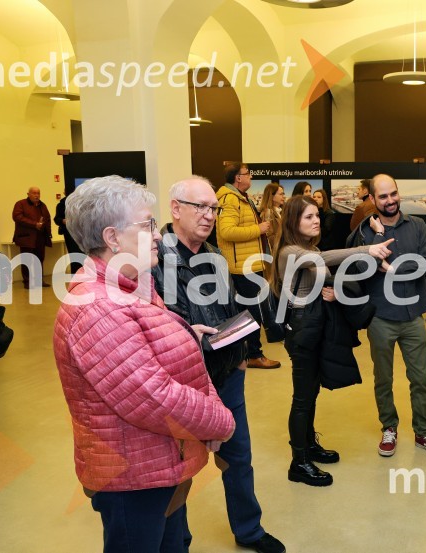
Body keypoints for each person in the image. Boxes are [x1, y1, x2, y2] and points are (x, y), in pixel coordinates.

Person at [53, 175, 236, 552]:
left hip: (158, 463)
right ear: (112, 237)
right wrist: (219, 421)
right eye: (147, 225)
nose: (156, 235)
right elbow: (153, 396)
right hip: (133, 478)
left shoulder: (133, 287)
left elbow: (151, 356)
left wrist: (186, 336)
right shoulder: (100, 308)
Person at [152, 176, 285, 553]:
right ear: (176, 209)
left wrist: (242, 357)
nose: (209, 215)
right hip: (179, 386)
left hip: (226, 377)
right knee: (177, 471)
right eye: (201, 207)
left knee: (238, 458)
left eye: (214, 208)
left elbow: (229, 310)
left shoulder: (214, 255)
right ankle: (177, 542)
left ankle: (249, 530)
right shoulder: (155, 259)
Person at [273, 195, 394, 487]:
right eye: (308, 217)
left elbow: (321, 273)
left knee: (311, 392)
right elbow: (322, 260)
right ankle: (299, 462)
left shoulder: (309, 248)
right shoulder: (290, 252)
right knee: (302, 397)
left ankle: (308, 446)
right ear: (293, 221)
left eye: (317, 215)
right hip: (302, 329)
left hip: (314, 325)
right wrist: (367, 249)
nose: (316, 220)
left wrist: (332, 291)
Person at [349, 174, 426, 458]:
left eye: (393, 193)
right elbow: (362, 267)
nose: (390, 200)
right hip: (381, 317)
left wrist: (391, 268)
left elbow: (425, 265)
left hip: (413, 317)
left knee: (420, 379)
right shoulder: (365, 231)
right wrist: (378, 239)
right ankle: (389, 428)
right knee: (383, 379)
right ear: (372, 198)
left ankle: (423, 432)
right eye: (383, 196)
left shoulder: (417, 226)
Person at [216, 162, 281, 369]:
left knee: (249, 311)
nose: (251, 177)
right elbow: (227, 231)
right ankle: (253, 354)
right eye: (248, 173)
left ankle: (246, 354)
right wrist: (257, 229)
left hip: (249, 263)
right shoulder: (230, 199)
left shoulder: (240, 198)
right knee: (253, 312)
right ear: (238, 178)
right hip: (242, 266)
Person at [12, 186, 52, 289]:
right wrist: (34, 224)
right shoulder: (20, 204)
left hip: (40, 237)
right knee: (27, 260)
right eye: (34, 193)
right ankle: (27, 282)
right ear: (28, 194)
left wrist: (48, 233)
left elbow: (47, 219)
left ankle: (39, 280)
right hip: (26, 238)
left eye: (38, 193)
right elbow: (17, 217)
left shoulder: (42, 205)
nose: (37, 195)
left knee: (39, 259)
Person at [54, 192, 83, 275]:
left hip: (82, 232)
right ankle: (75, 276)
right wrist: (63, 221)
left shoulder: (81, 202)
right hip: (69, 233)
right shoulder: (61, 204)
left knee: (84, 255)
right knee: (74, 255)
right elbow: (56, 219)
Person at [259, 183, 286, 260]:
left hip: (282, 252)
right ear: (272, 196)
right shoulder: (267, 214)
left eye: (283, 194)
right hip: (275, 255)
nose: (283, 196)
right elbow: (269, 238)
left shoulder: (282, 211)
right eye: (281, 194)